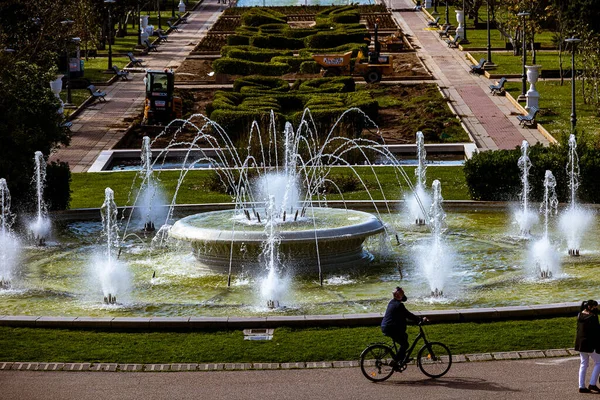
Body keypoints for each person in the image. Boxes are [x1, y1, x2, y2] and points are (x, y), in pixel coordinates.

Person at [381, 287, 425, 367]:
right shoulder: (399, 305)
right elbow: (408, 315)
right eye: (402, 294)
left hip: (386, 326)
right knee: (405, 344)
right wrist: (419, 319)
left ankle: (402, 358)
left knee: (405, 336)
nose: (403, 295)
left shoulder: (391, 302)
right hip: (391, 328)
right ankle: (394, 361)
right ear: (399, 296)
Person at [575, 299, 600, 393]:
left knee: (583, 364)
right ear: (590, 307)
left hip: (581, 345)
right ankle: (592, 384)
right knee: (599, 362)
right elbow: (597, 332)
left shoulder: (580, 315)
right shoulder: (592, 317)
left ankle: (581, 386)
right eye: (595, 307)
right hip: (590, 344)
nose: (596, 309)